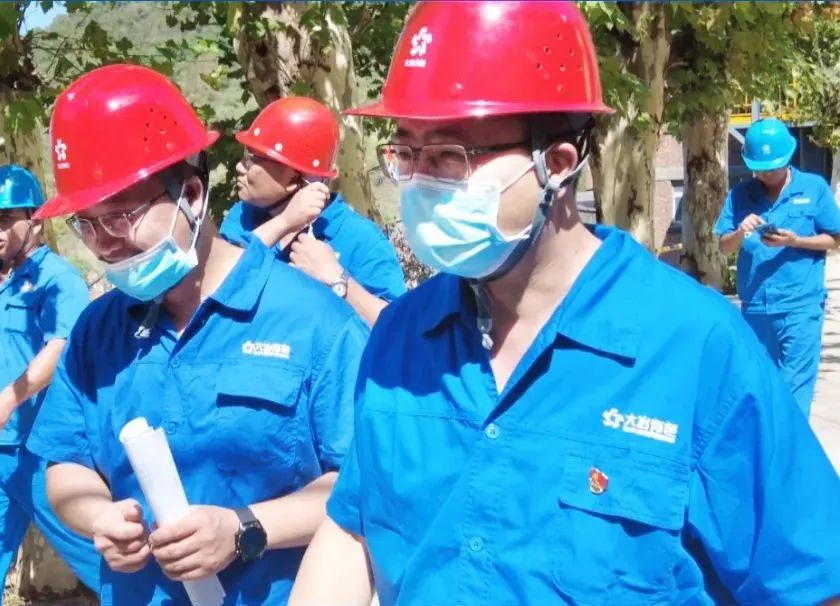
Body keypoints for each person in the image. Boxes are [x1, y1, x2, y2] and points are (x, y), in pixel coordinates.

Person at [289, 3, 840, 605]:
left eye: (450, 156)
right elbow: (353, 529)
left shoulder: (693, 344)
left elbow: (810, 583)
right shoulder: (402, 335)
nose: (423, 183)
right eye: (406, 154)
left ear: (555, 164)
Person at [24, 64, 368, 606]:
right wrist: (99, 515)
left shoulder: (314, 322)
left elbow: (360, 485)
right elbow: (67, 465)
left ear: (190, 192)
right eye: (86, 224)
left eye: (120, 217)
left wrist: (243, 528)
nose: (104, 243)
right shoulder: (96, 331)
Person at [0, 164, 100, 604]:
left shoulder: (59, 280)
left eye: (6, 218)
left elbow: (61, 349)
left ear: (35, 220)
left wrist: (9, 398)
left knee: (98, 555)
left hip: (45, 451)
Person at [221, 96, 406, 325]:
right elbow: (217, 281)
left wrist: (338, 280)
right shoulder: (242, 216)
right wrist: (283, 223)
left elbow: (398, 326)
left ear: (293, 177)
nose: (239, 167)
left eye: (253, 160)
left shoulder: (359, 237)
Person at [715, 117, 840, 417]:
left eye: (773, 168)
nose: (767, 174)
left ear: (788, 157)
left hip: (801, 307)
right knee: (761, 389)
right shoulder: (741, 195)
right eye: (760, 169)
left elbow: (836, 239)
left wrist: (796, 241)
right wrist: (740, 232)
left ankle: (788, 445)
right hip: (756, 309)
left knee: (793, 394)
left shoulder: (814, 188)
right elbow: (723, 246)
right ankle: (770, 444)